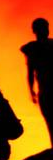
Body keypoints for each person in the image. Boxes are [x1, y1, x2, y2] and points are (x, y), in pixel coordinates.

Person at [20, 17, 53, 148]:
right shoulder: (32, 49)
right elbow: (30, 71)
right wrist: (31, 90)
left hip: (45, 90)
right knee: (50, 121)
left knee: (51, 121)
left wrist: (31, 90)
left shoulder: (31, 48)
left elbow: (30, 71)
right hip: (45, 90)